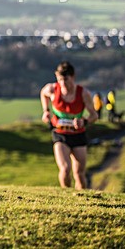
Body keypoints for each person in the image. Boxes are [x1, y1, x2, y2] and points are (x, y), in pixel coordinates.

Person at [40, 61, 99, 189]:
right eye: (59, 79)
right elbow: (43, 94)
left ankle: (83, 201)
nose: (62, 83)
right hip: (60, 134)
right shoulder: (52, 89)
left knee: (79, 174)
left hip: (78, 135)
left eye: (65, 79)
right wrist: (46, 111)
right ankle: (66, 196)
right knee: (65, 169)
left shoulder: (83, 94)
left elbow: (94, 115)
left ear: (73, 77)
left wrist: (84, 121)